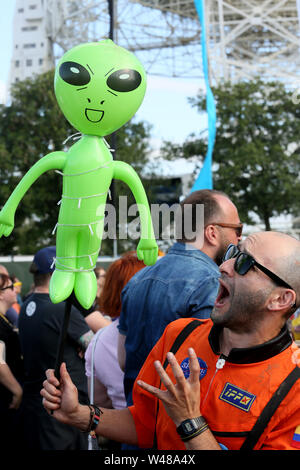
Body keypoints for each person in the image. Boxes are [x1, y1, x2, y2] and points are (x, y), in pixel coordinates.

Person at [41, 231, 300, 450]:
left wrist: (190, 422)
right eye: (233, 252)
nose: (224, 265)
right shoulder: (180, 333)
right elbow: (144, 424)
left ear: (281, 299)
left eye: (244, 263)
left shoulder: (294, 387)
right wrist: (80, 414)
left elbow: (184, 423)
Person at [118, 189, 242, 406]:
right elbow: (210, 365)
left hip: (134, 423)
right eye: (237, 229)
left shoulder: (137, 280)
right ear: (212, 232)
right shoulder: (212, 282)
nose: (239, 237)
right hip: (183, 430)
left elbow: (122, 359)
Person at [18, 246, 94, 450]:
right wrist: (85, 346)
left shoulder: (27, 305)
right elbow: (94, 346)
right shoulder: (60, 307)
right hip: (62, 405)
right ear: (56, 274)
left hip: (37, 403)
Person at [0, 272, 24, 450]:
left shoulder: (5, 319)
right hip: (5, 397)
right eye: (10, 287)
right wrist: (17, 390)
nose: (15, 290)